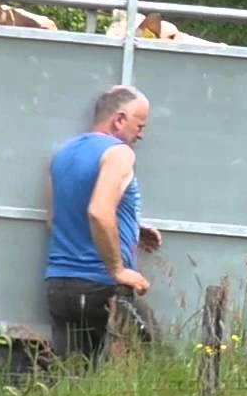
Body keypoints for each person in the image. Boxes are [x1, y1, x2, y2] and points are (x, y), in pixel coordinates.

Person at [44, 85, 160, 364]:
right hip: (100, 287)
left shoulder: (63, 154)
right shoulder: (118, 153)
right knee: (141, 370)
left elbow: (55, 219)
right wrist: (118, 270)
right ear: (119, 120)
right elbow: (98, 210)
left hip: (59, 286)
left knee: (73, 380)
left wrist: (131, 226)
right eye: (139, 125)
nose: (141, 134)